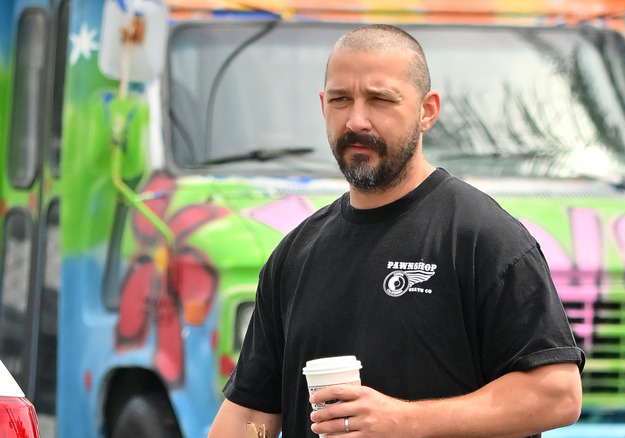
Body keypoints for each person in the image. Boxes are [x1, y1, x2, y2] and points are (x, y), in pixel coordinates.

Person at [209, 23, 585, 438]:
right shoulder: (295, 255)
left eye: (380, 99)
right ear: (322, 105)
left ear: (427, 111)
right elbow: (251, 413)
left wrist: (403, 421)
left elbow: (558, 394)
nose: (356, 120)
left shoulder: (484, 238)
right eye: (340, 99)